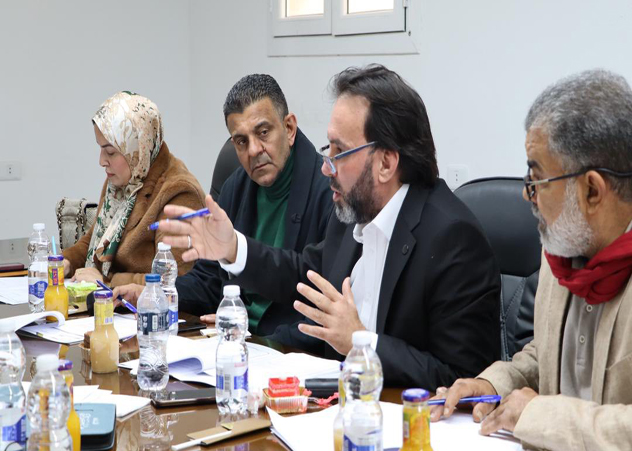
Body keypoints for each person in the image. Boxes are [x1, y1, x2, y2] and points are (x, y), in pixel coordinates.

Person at [158, 64, 501, 389]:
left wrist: (360, 343)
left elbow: (465, 379)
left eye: (340, 151)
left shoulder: (452, 238)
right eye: (328, 148)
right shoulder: (354, 215)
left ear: (386, 163)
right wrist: (233, 248)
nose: (326, 167)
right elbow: (303, 274)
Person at [432, 69, 632, 451]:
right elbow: (549, 356)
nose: (529, 195)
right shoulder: (562, 243)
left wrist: (539, 415)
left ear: (592, 190)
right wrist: (493, 383)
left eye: (538, 179)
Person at [114, 74, 333, 336]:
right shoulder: (236, 186)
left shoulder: (329, 190)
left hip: (285, 346)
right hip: (231, 340)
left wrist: (254, 337)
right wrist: (155, 295)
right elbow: (208, 281)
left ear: (289, 128)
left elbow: (315, 289)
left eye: (263, 133)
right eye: (241, 141)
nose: (253, 150)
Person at [62, 91, 206, 287]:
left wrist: (107, 282)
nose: (101, 161)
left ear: (138, 147)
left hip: (145, 304)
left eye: (110, 152)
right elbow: (96, 240)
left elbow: (174, 281)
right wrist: (67, 261)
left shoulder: (178, 192)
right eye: (100, 148)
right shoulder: (122, 181)